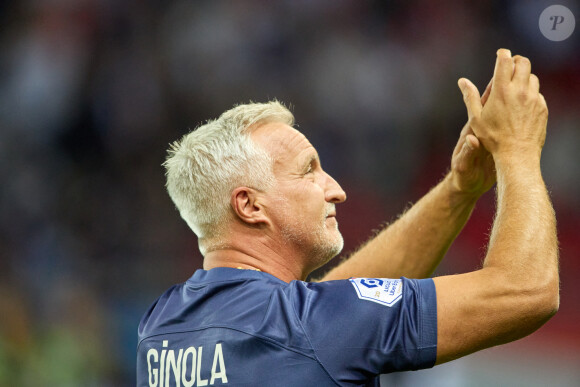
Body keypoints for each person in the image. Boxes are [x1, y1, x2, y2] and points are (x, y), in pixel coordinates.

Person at [136, 49, 559, 386]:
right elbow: (526, 291)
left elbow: (324, 311)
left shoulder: (160, 325)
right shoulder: (312, 329)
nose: (336, 189)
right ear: (249, 206)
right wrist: (517, 148)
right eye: (309, 170)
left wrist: (458, 190)